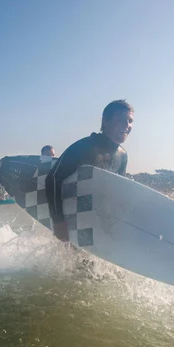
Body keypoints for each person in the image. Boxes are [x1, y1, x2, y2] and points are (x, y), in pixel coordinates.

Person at [45, 99, 134, 242]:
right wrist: (58, 221)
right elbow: (53, 179)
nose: (127, 125)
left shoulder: (123, 156)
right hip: (71, 216)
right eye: (121, 119)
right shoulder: (84, 147)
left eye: (130, 121)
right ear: (105, 121)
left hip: (97, 219)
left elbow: (116, 190)